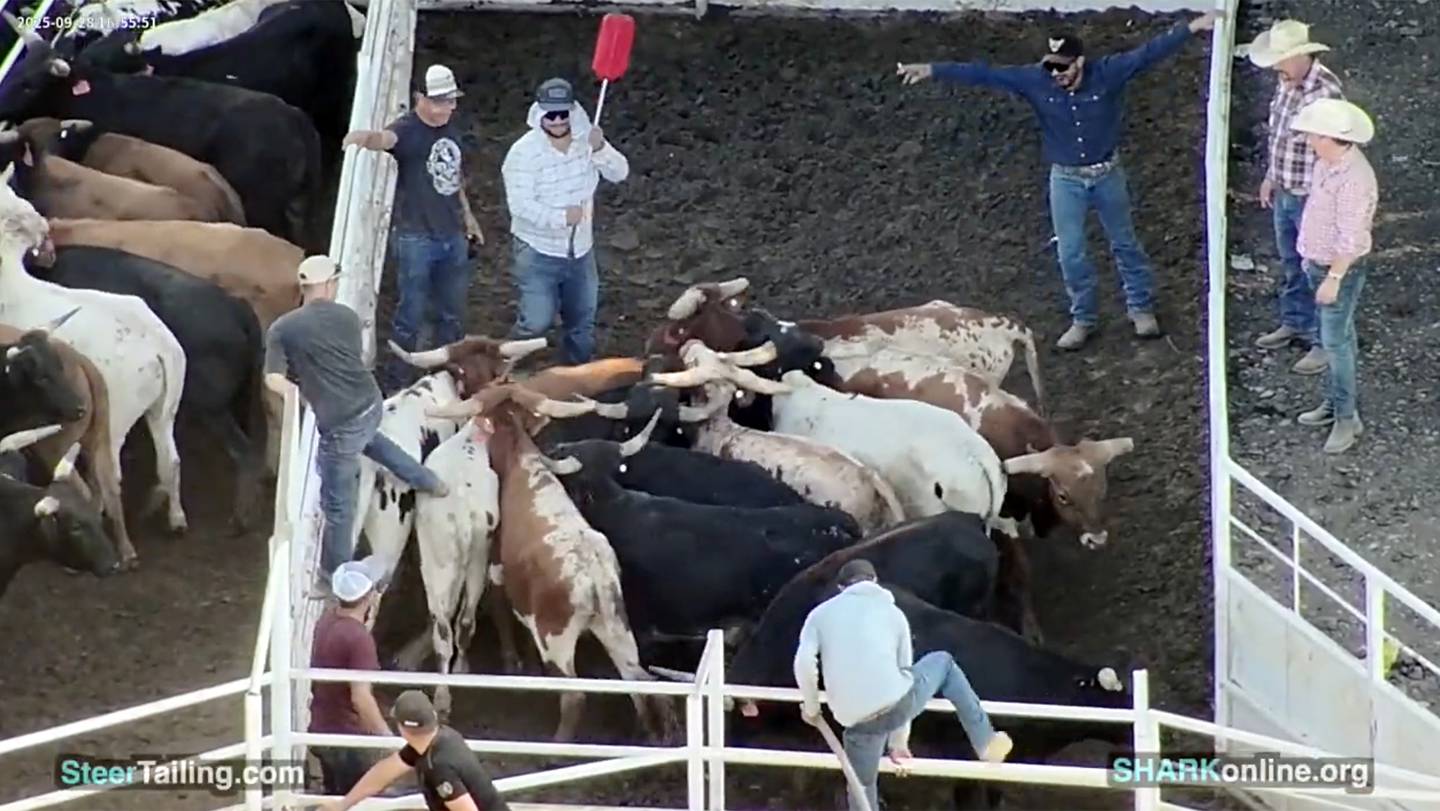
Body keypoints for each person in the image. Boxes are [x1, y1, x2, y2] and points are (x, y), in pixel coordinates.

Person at [897, 12, 1218, 351]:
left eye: (1062, 67)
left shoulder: (1109, 73)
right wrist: (933, 69)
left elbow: (1149, 52)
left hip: (1106, 172)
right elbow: (985, 73)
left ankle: (1140, 308)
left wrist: (1193, 27)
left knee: (1124, 242)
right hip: (1066, 178)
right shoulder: (1034, 80)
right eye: (1050, 66)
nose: (1056, 74)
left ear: (1080, 62)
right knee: (1071, 252)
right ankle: (1083, 318)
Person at [263, 255, 448, 587]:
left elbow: (272, 378)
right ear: (329, 284)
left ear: (304, 287)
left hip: (337, 418)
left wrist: (293, 391)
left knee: (338, 505)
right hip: (369, 401)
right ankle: (428, 480)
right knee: (372, 441)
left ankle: (332, 575)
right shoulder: (347, 318)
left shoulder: (283, 329)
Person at [793, 559, 1013, 811]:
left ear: (841, 587)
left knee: (861, 788)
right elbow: (904, 672)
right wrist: (898, 744)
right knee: (944, 662)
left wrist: (811, 709)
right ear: (875, 582)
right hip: (899, 705)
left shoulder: (819, 615)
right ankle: (985, 742)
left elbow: (803, 663)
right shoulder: (895, 615)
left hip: (857, 723)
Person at [342, 64, 485, 392]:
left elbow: (454, 180)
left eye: (450, 101)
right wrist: (363, 139)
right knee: (412, 311)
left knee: (452, 312)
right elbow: (386, 138)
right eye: (439, 101)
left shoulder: (450, 130)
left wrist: (469, 218)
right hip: (416, 237)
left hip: (451, 233)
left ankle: (449, 372)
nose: (446, 108)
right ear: (420, 98)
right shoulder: (408, 130)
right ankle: (397, 379)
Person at [500, 77, 629, 365]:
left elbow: (620, 172)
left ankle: (577, 381)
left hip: (582, 252)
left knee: (582, 323)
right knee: (535, 322)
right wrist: (561, 218)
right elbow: (521, 207)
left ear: (572, 111)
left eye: (563, 114)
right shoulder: (522, 154)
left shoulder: (588, 142)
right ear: (539, 113)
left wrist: (601, 149)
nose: (557, 120)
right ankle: (502, 368)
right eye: (550, 114)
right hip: (537, 252)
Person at [1246, 20, 1345, 376]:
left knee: (1315, 269)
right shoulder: (1287, 83)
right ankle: (1295, 321)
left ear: (1303, 56)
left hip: (1311, 198)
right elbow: (1281, 137)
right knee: (1291, 263)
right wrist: (1272, 176)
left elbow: (1334, 156)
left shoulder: (1326, 92)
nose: (1276, 68)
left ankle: (1323, 342)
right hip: (1287, 188)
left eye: (1282, 60)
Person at [1289, 98, 1377, 455]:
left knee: (1334, 343)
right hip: (1318, 262)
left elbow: (1352, 237)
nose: (1310, 141)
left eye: (1315, 136)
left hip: (1336, 269)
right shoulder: (1327, 165)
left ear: (1331, 139)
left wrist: (1335, 277)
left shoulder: (1355, 180)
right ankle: (1339, 405)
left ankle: (1345, 416)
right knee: (1340, 337)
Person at [322, 689, 511, 811]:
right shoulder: (439, 738)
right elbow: (385, 772)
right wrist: (343, 804)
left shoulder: (439, 766)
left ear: (403, 728)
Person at [309, 558, 392, 796]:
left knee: (335, 796)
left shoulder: (326, 621)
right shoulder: (358, 639)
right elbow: (361, 698)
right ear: (369, 597)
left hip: (321, 728)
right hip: (347, 738)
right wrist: (385, 738)